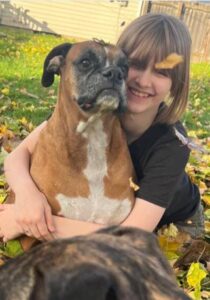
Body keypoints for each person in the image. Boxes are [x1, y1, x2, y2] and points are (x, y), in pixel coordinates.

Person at [0, 13, 203, 243]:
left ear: (175, 83)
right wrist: (28, 196)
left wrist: (26, 221)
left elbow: (130, 237)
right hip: (122, 214)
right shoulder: (91, 110)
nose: (144, 81)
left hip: (174, 220)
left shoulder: (172, 145)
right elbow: (18, 155)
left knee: (137, 254)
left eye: (162, 72)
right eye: (135, 65)